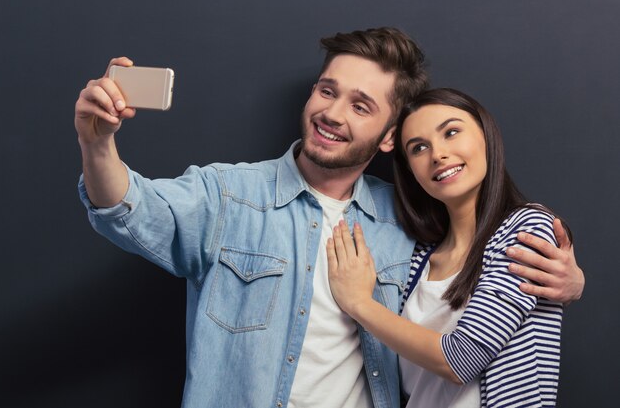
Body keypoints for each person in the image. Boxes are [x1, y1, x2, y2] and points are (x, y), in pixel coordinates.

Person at [75, 28, 583, 408]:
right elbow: (130, 208)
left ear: (388, 138)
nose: (333, 113)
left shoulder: (408, 221)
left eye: (361, 105)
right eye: (327, 90)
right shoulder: (228, 193)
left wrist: (568, 282)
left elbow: (480, 261)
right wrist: (97, 143)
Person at [327, 88, 573, 407]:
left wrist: (359, 303)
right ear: (412, 172)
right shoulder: (418, 258)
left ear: (486, 135)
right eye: (419, 148)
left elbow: (461, 359)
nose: (438, 154)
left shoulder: (528, 228)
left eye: (452, 132)